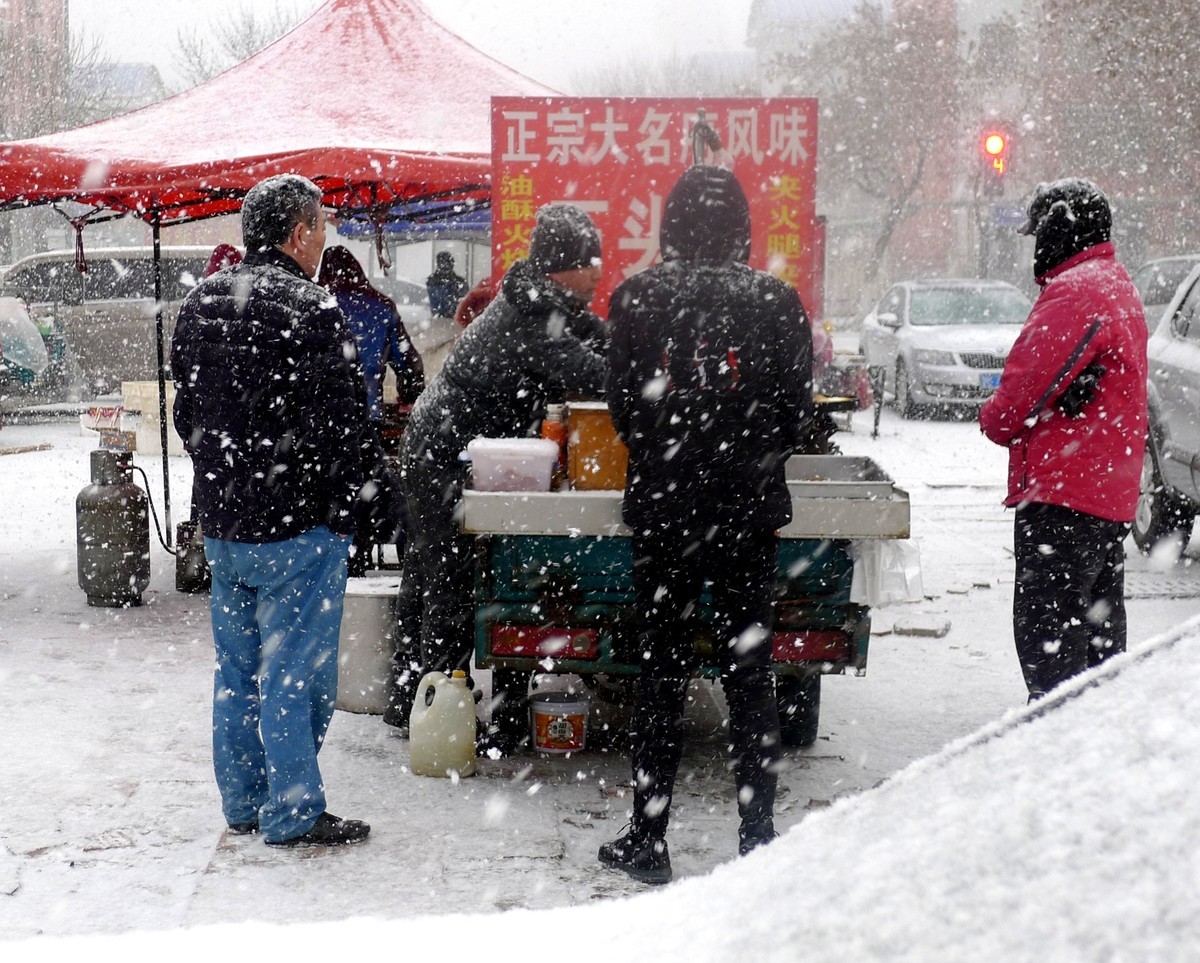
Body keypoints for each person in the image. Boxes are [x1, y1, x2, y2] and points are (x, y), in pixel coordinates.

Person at [600, 165, 814, 884]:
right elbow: (797, 416)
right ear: (741, 228)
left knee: (660, 672)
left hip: (665, 514)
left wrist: (671, 450)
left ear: (672, 225)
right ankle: (758, 836)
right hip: (747, 513)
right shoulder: (776, 302)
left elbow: (624, 411)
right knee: (750, 675)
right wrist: (747, 455)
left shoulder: (637, 298)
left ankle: (648, 836)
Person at [171, 173, 385, 848]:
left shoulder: (201, 301)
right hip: (297, 529)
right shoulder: (313, 308)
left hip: (225, 528)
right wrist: (345, 508)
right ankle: (292, 809)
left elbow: (186, 414)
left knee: (237, 671)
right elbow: (344, 428)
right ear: (298, 234)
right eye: (321, 226)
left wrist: (227, 478)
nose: (324, 238)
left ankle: (243, 800)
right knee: (296, 674)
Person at [386, 203, 609, 752]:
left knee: (434, 575)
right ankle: (437, 712)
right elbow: (596, 374)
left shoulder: (544, 300)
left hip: (452, 450)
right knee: (448, 582)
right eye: (591, 262)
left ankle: (412, 694)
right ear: (563, 266)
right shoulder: (531, 317)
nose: (599, 272)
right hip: (440, 456)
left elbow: (598, 338)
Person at [979, 178, 1148, 703]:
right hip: (1107, 497)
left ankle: (1054, 745)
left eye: (1039, 234)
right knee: (1099, 656)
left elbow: (1014, 401)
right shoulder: (1116, 282)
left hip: (1064, 500)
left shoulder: (1076, 291)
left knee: (1051, 660)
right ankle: (1095, 745)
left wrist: (992, 415)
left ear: (1058, 231)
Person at [318, 245, 424, 419]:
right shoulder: (382, 307)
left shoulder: (314, 304)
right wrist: (409, 397)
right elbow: (408, 363)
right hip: (369, 414)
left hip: (319, 418)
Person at [425, 250, 468, 318]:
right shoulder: (432, 281)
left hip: (451, 318)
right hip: (448, 317)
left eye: (447, 263)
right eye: (443, 263)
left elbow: (464, 301)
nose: (445, 266)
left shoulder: (431, 280)